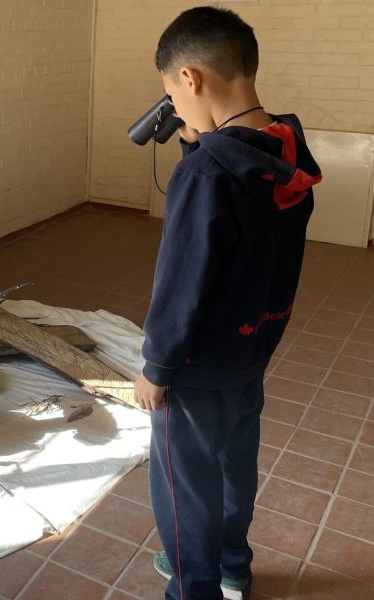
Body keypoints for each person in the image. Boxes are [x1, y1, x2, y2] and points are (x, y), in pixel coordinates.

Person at [132, 7, 322, 600]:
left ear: (189, 79)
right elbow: (235, 220)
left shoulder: (204, 176)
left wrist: (156, 367)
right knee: (235, 463)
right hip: (252, 348)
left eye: (172, 92)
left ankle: (195, 588)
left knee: (184, 483)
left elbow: (182, 282)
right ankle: (235, 563)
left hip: (196, 367)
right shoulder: (287, 149)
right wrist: (200, 143)